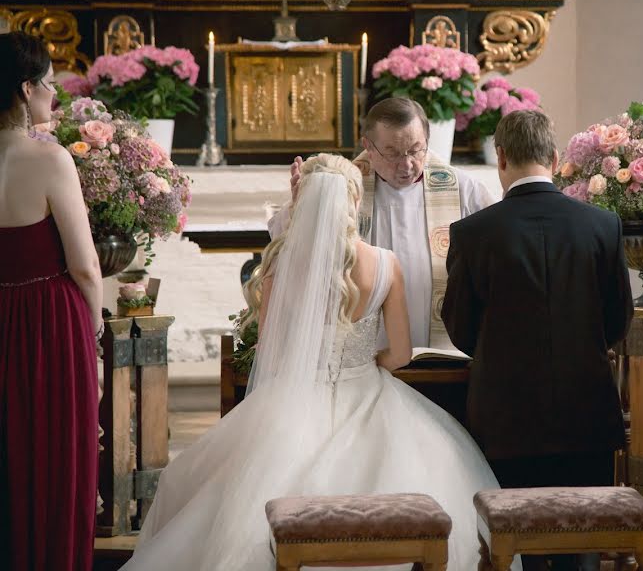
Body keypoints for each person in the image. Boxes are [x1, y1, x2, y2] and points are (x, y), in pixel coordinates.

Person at [124, 154, 506, 571]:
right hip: (368, 388)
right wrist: (367, 360)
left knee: (206, 489)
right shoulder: (385, 264)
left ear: (303, 202)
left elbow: (272, 347)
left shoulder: (280, 267)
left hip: (294, 397)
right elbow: (399, 354)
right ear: (355, 201)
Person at [441, 110, 633, 571]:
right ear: (553, 157)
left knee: (511, 544)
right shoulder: (602, 226)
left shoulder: (472, 234)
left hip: (504, 417)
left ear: (500, 158)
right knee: (581, 541)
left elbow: (459, 326)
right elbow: (618, 319)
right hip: (586, 411)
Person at [269, 97, 496, 350]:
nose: (407, 164)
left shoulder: (464, 189)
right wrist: (300, 205)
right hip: (364, 352)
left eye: (416, 149)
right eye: (393, 153)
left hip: (443, 347)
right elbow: (283, 242)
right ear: (368, 146)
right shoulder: (343, 185)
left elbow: (496, 254)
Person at [0, 31, 102, 571]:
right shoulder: (50, 158)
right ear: (23, 90)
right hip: (50, 322)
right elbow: (85, 265)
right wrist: (96, 333)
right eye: (46, 83)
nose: (53, 93)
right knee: (56, 457)